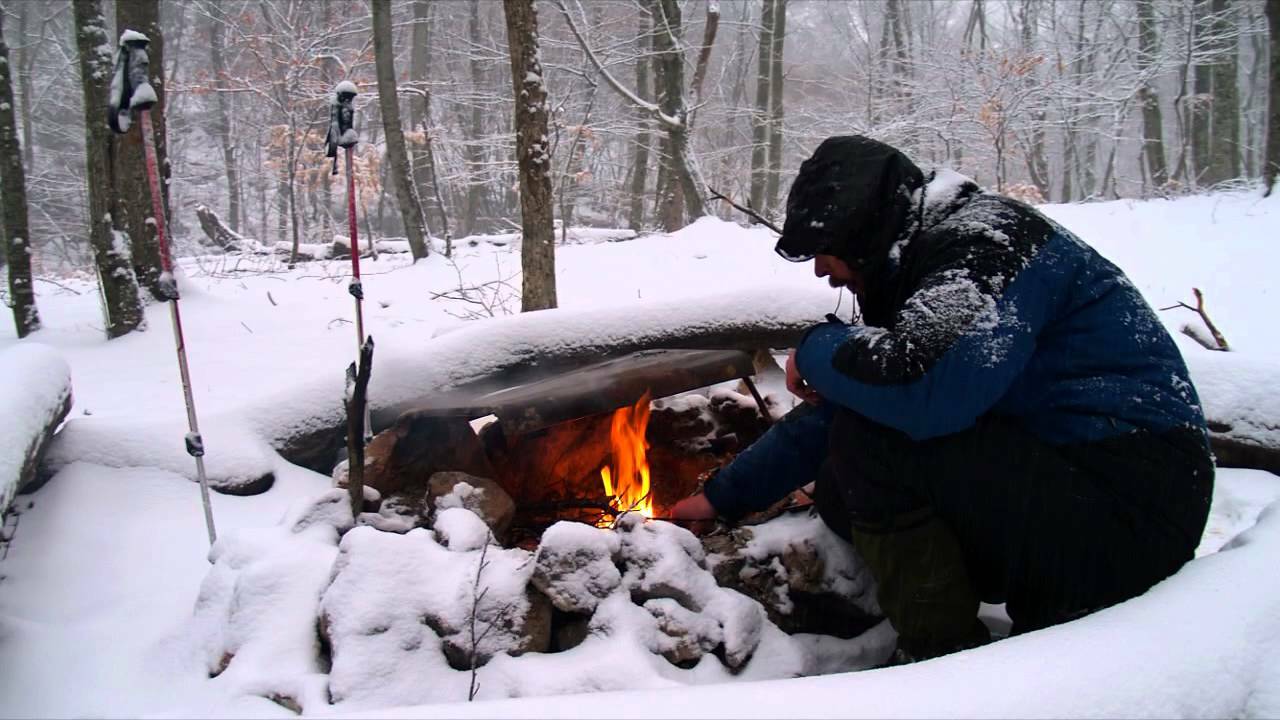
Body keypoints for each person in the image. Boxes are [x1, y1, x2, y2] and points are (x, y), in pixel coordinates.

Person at [673, 136, 1214, 662]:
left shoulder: (987, 244)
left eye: (827, 251)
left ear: (866, 232)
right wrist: (722, 497)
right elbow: (861, 402)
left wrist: (816, 349)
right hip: (1076, 477)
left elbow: (925, 390)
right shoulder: (931, 255)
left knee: (874, 447)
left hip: (1130, 503)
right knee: (845, 479)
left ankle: (946, 665)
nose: (820, 270)